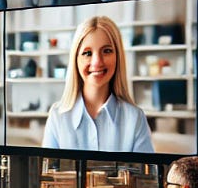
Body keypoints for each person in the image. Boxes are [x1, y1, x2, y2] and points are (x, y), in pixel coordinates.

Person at [42, 15, 153, 154]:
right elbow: (46, 174)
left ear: (118, 57)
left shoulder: (135, 118)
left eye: (107, 51)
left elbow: (145, 175)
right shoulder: (57, 116)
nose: (97, 62)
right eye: (87, 53)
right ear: (76, 59)